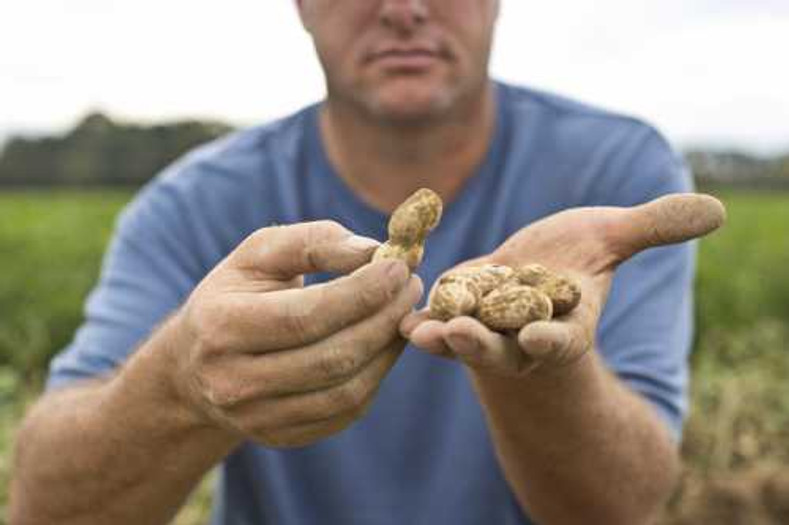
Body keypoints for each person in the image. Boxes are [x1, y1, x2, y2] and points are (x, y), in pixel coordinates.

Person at [10, 1, 725, 524]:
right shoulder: (193, 205)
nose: (403, 9)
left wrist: (541, 375)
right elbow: (45, 507)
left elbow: (623, 505)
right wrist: (181, 385)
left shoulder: (615, 172)